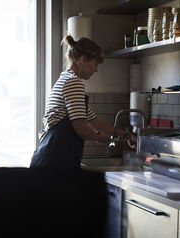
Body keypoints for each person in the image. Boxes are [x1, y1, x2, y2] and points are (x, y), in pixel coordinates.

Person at [30, 35, 135, 169]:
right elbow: (80, 126)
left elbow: (95, 121)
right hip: (55, 161)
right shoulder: (74, 82)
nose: (96, 70)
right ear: (83, 60)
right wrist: (98, 137)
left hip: (49, 159)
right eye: (95, 64)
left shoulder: (66, 79)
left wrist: (125, 135)